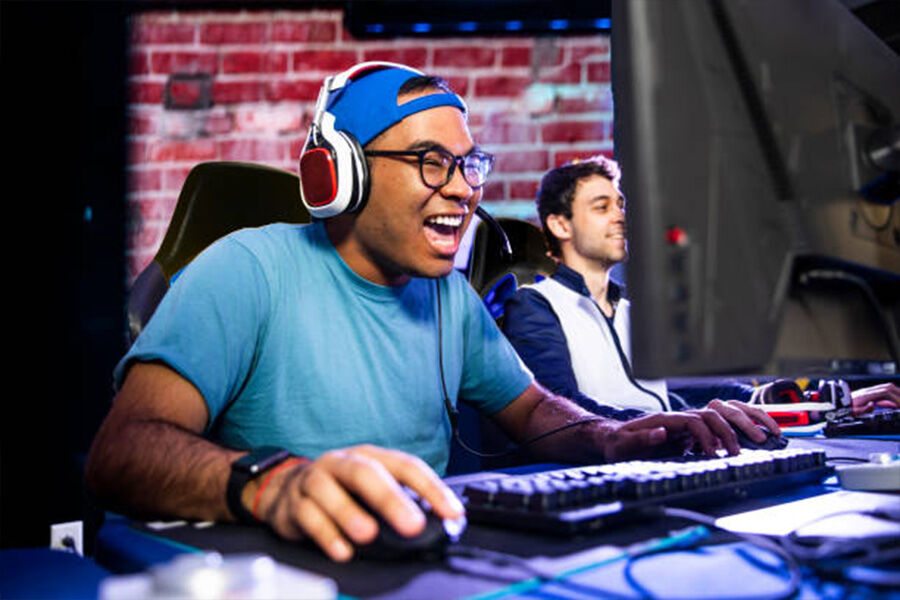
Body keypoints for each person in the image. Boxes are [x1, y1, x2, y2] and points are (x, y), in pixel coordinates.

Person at [86, 63, 761, 563]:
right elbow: (121, 453)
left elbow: (529, 412)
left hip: (410, 568)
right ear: (340, 174)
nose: (465, 189)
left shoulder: (447, 296)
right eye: (431, 162)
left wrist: (620, 436)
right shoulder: (247, 269)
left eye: (470, 164)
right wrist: (274, 486)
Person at [501, 156, 900, 428]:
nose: (620, 216)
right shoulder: (535, 305)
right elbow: (558, 412)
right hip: (607, 469)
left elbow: (683, 393)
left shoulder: (631, 312)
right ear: (560, 225)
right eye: (602, 207)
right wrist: (666, 429)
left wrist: (804, 403)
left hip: (662, 459)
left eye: (620, 205)